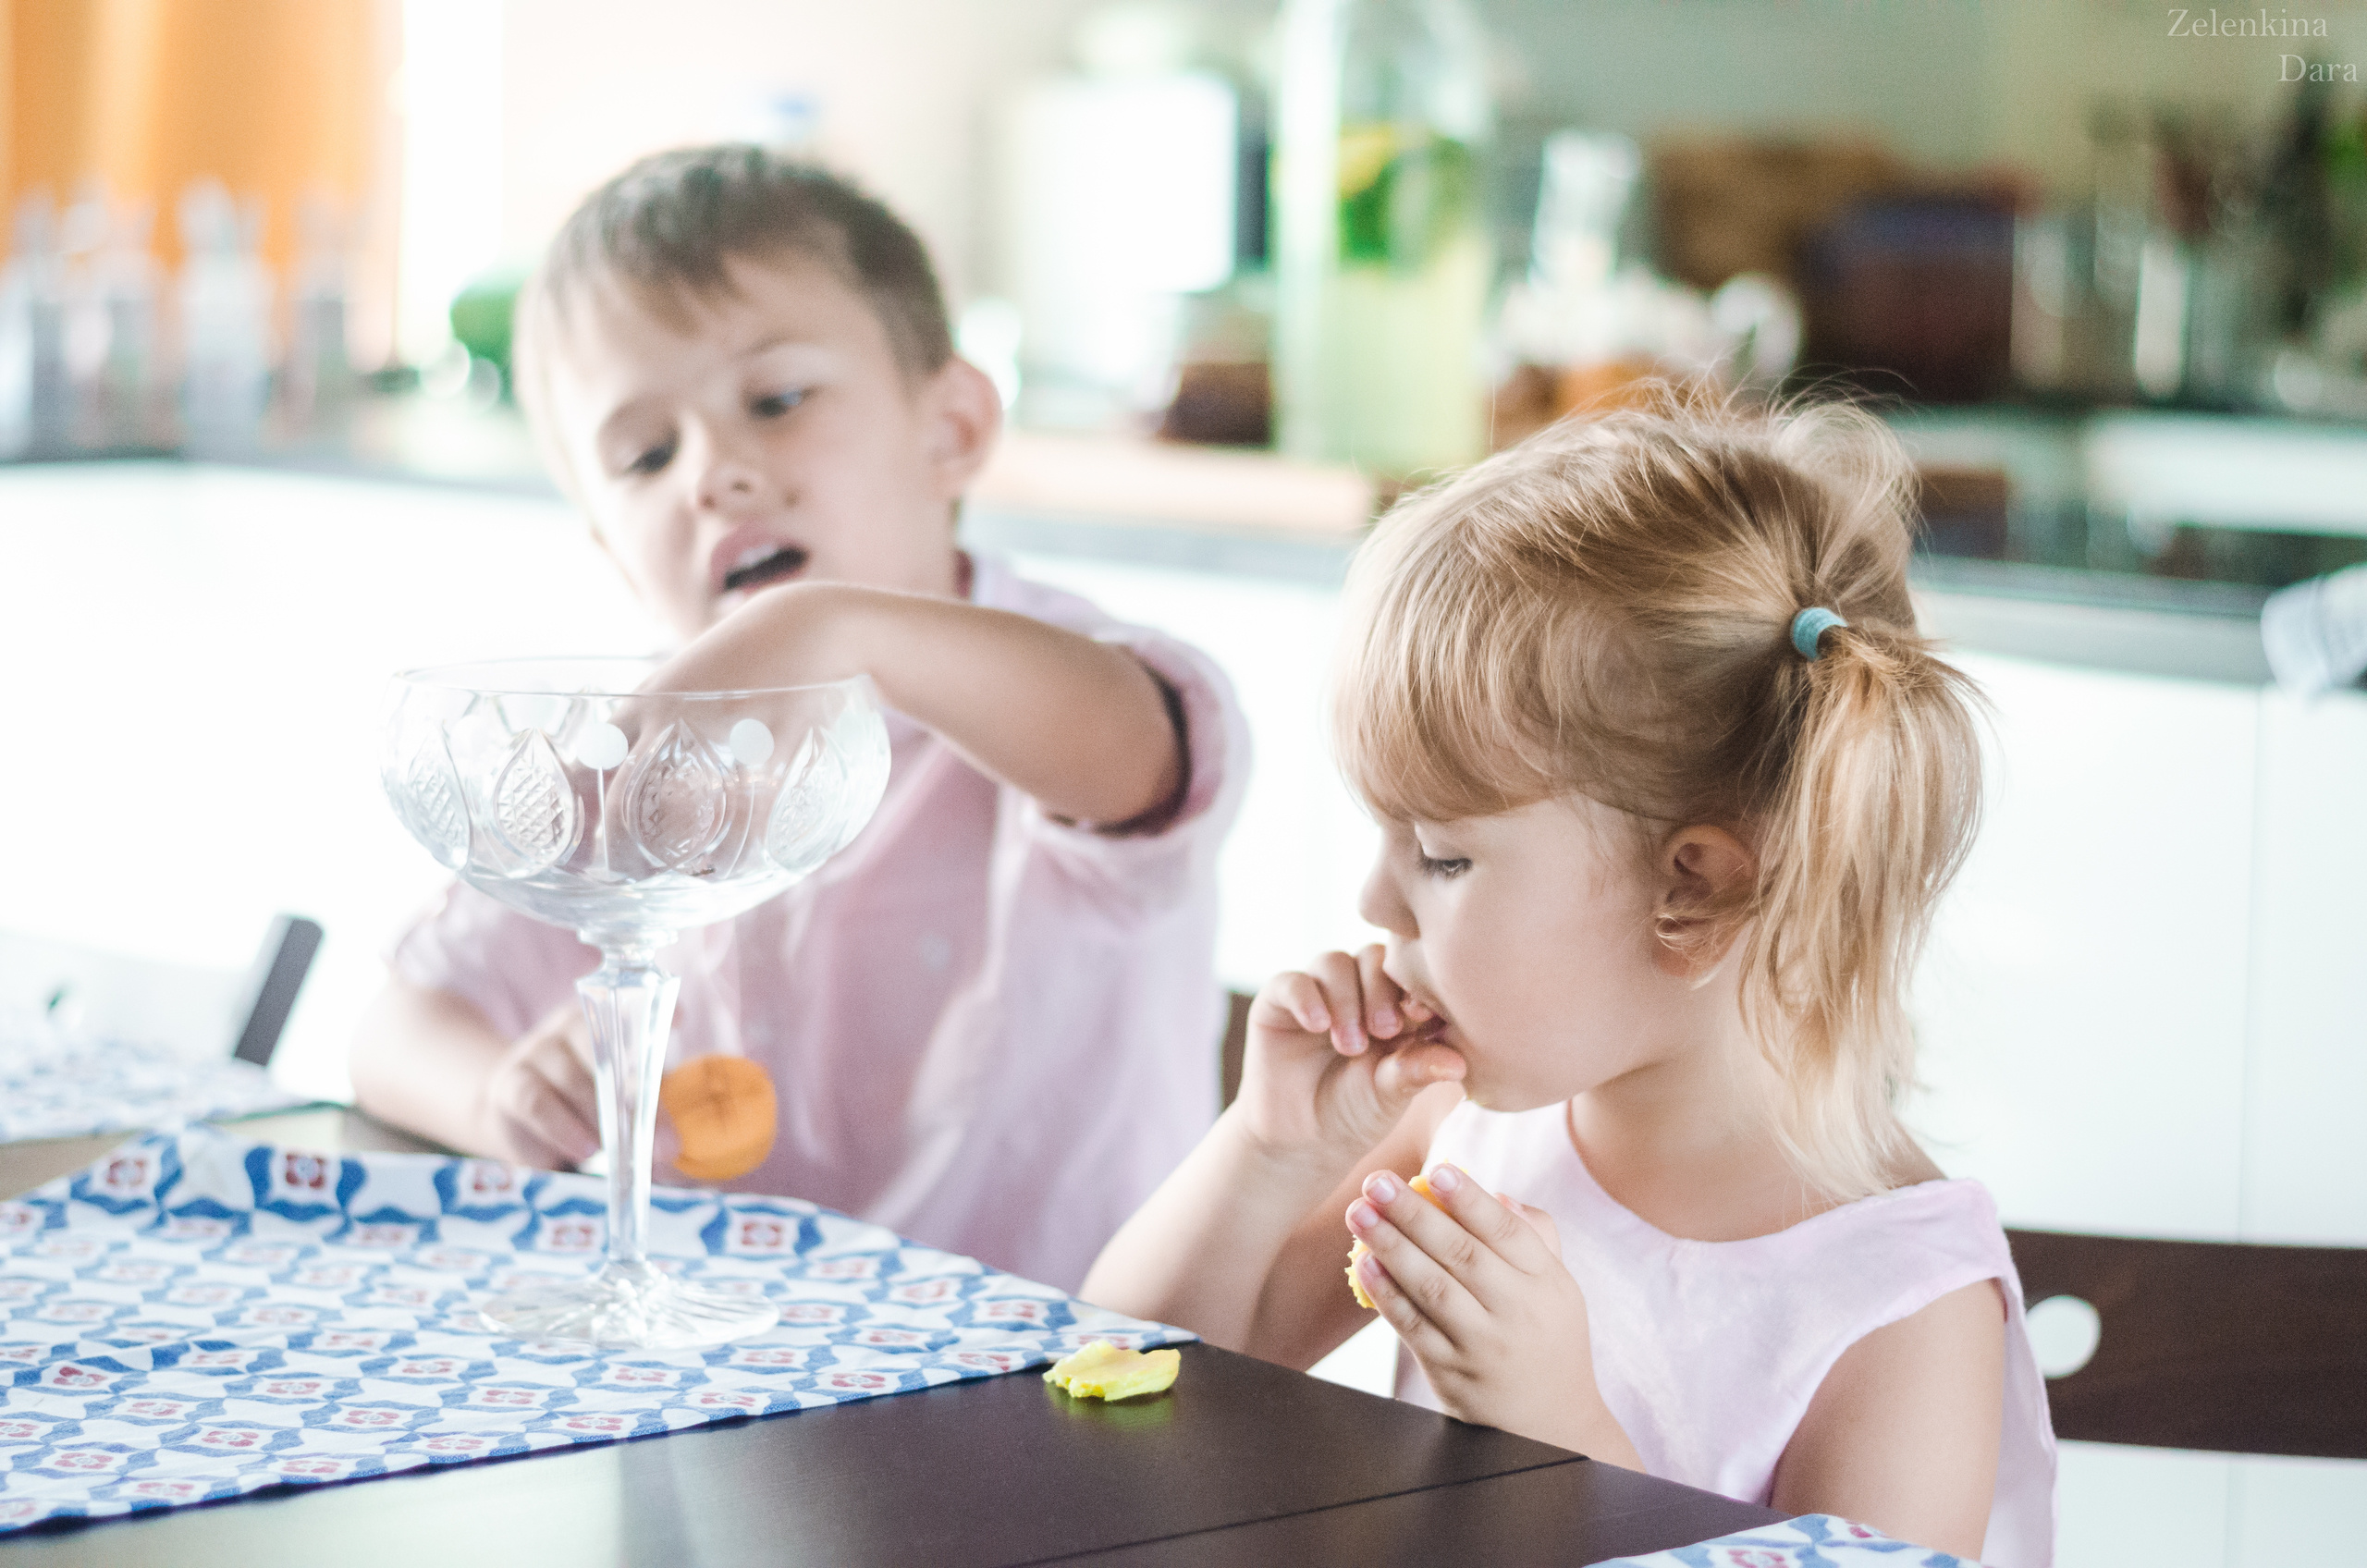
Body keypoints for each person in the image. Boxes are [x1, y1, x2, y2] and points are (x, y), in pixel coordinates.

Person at [1082, 398, 2054, 1564]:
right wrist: (1266, 1148)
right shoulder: (1462, 1133)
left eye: (1441, 855)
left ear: (1691, 891)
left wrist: (1557, 1432)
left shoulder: (1903, 1305)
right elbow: (1124, 1375)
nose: (1375, 906)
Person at [350, 145, 1247, 1293]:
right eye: (644, 455)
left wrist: (837, 629)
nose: (713, 472)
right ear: (605, 546)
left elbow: (1137, 755)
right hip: (743, 1392)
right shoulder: (636, 751)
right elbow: (394, 1029)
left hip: (1050, 1394)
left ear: (953, 427)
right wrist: (498, 1095)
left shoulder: (1058, 690)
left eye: (777, 400)